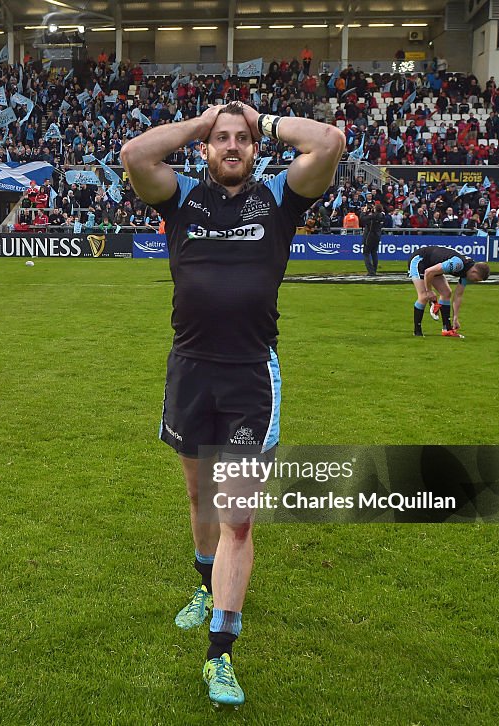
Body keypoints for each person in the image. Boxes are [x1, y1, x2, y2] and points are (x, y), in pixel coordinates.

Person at [120, 101, 344, 707]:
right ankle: (202, 583)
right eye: (221, 139)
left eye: (241, 139)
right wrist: (202, 121)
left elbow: (327, 141)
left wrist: (260, 119)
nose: (231, 146)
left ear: (256, 147)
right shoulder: (182, 198)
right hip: (190, 371)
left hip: (249, 378)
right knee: (199, 497)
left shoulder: (278, 197)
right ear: (205, 148)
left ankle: (220, 653)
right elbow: (136, 155)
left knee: (237, 517)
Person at [407, 245, 491, 337]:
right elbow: (428, 272)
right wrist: (429, 291)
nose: (474, 281)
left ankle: (447, 329)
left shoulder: (468, 272)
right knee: (423, 296)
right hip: (420, 260)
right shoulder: (458, 264)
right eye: (476, 279)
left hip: (432, 266)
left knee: (446, 293)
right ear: (474, 272)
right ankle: (417, 332)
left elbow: (458, 296)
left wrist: (455, 317)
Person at [360, 202, 385, 275]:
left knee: (366, 253)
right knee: (374, 253)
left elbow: (363, 219)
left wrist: (364, 212)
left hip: (370, 236)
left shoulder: (374, 216)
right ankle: (374, 269)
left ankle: (371, 271)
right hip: (377, 236)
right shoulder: (382, 216)